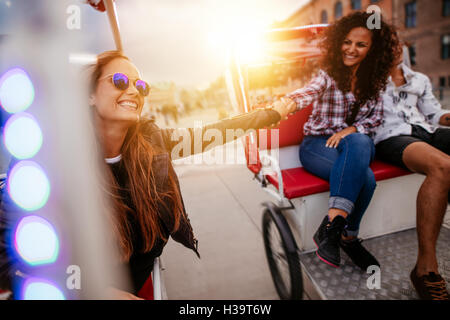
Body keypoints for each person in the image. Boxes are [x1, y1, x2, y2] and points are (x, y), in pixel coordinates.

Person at [0, 50, 295, 300]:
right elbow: (9, 255)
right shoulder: (49, 157)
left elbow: (212, 133)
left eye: (140, 86)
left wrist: (272, 114)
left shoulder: (151, 142)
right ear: (89, 94)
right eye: (119, 81)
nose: (133, 91)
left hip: (137, 278)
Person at [275, 12, 398, 270]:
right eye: (347, 42)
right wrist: (286, 103)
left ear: (372, 50)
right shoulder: (328, 74)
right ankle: (346, 237)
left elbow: (374, 120)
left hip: (352, 146)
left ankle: (332, 229)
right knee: (366, 177)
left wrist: (349, 129)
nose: (351, 49)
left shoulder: (375, 83)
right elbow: (307, 92)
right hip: (317, 146)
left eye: (361, 44)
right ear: (339, 42)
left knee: (360, 142)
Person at [374, 42, 450, 300]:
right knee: (443, 165)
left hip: (424, 131)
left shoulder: (419, 79)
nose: (393, 47)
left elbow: (434, 114)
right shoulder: (369, 78)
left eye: (396, 42)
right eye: (387, 41)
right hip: (391, 137)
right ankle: (424, 268)